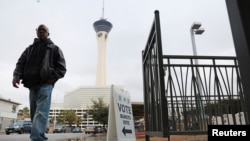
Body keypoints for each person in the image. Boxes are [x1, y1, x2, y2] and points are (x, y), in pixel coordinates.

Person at [12, 24, 66, 141]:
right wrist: (16, 75)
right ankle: (38, 136)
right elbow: (20, 63)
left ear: (48, 33)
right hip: (32, 85)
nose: (41, 32)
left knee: (41, 113)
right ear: (36, 32)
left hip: (45, 85)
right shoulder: (29, 49)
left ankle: (37, 138)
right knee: (34, 114)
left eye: (44, 30)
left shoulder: (54, 49)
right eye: (39, 30)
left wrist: (51, 79)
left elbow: (61, 68)